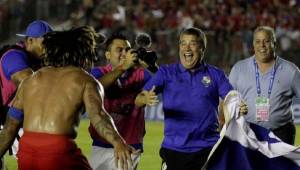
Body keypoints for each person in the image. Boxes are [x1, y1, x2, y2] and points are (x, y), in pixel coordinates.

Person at [0, 26, 134, 170]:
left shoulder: (31, 80)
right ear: (83, 53)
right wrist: (118, 142)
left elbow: (9, 128)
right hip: (58, 152)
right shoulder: (85, 80)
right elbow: (99, 117)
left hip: (26, 151)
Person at [136, 27, 247, 170]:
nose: (187, 48)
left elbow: (231, 97)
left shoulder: (216, 74)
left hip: (207, 149)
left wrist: (239, 105)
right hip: (174, 151)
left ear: (202, 48)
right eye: (183, 43)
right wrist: (144, 99)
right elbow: (138, 99)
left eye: (192, 43)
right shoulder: (166, 73)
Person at [88, 34, 155, 170]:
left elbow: (162, 85)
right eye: (120, 50)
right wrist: (124, 67)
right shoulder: (98, 73)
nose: (125, 53)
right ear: (107, 55)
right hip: (101, 144)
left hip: (130, 145)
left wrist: (153, 68)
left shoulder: (141, 74)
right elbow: (97, 87)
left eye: (128, 49)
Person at [229, 26, 300, 145]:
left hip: (281, 134)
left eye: (266, 41)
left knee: (280, 165)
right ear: (253, 44)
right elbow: (227, 102)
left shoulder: (290, 71)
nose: (262, 45)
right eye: (258, 41)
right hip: (248, 134)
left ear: (274, 44)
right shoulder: (238, 69)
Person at [0, 20, 53, 168]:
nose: (50, 47)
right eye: (46, 42)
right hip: (7, 119)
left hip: (15, 119)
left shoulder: (39, 58)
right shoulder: (13, 56)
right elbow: (30, 83)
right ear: (30, 40)